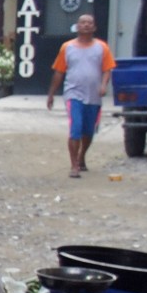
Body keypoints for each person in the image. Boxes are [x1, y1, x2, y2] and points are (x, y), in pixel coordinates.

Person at [45, 13, 115, 178]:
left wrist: (104, 85)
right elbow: (59, 72)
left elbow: (107, 69)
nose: (86, 25)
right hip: (73, 93)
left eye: (89, 23)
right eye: (82, 22)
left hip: (94, 96)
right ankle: (74, 165)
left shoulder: (102, 47)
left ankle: (82, 156)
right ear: (77, 26)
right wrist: (51, 94)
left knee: (88, 132)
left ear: (94, 27)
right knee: (75, 128)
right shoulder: (67, 47)